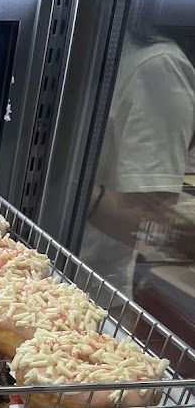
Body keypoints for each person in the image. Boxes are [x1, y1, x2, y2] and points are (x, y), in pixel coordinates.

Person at [82, 17, 195, 300]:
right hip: (27, 270)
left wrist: (70, 188)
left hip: (84, 291)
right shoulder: (88, 34)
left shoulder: (156, 65)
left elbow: (151, 223)